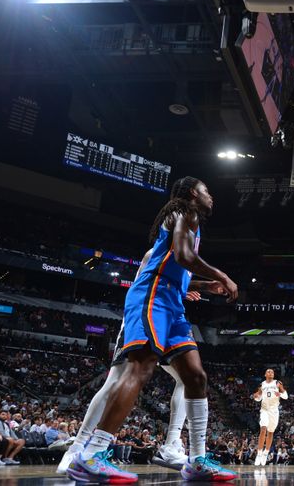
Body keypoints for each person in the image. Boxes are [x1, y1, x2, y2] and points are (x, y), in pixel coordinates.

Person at [66, 176, 238, 483]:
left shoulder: (190, 221)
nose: (211, 196)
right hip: (152, 298)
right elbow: (184, 258)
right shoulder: (183, 212)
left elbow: (177, 265)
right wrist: (222, 275)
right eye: (206, 191)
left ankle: (197, 460)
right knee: (139, 370)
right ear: (190, 194)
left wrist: (203, 284)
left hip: (172, 302)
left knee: (195, 377)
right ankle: (90, 455)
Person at [57, 250, 206, 474]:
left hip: (169, 316)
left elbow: (172, 280)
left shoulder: (184, 251)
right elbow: (148, 280)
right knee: (116, 380)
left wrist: (191, 287)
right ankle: (78, 447)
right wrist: (213, 280)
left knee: (189, 377)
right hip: (144, 313)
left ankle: (171, 444)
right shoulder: (161, 248)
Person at [252, 368, 288, 466]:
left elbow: (286, 396)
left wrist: (279, 393)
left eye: (272, 372)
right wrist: (256, 396)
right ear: (265, 374)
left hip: (274, 410)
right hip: (264, 409)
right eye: (268, 371)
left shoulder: (277, 383)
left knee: (270, 432)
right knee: (263, 429)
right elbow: (258, 398)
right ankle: (259, 454)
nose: (270, 373)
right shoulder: (262, 385)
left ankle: (265, 453)